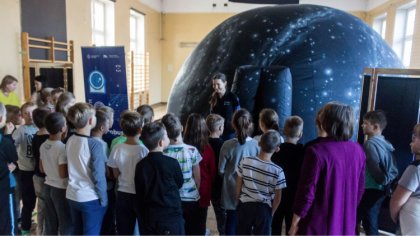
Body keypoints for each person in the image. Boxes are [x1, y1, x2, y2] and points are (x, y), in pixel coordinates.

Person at [289, 102, 366, 235]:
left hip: (317, 225)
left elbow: (306, 192)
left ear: (328, 121)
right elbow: (359, 190)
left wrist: (294, 222)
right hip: (345, 224)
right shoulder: (358, 150)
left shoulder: (316, 151)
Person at [135, 122, 184, 235]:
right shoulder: (172, 163)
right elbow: (179, 183)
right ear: (161, 142)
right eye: (166, 135)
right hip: (170, 216)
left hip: (149, 217)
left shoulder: (141, 165)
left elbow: (140, 191)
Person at [65, 102, 107, 235]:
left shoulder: (70, 139)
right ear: (90, 120)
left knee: (77, 231)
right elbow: (99, 175)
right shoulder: (94, 144)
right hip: (90, 198)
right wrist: (104, 198)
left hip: (72, 195)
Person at [236, 130, 286, 235]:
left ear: (259, 143)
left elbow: (238, 184)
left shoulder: (245, 161)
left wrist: (238, 201)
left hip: (245, 205)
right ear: (277, 149)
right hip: (264, 209)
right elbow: (278, 197)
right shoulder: (278, 170)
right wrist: (271, 213)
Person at [357, 110, 398, 235]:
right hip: (381, 190)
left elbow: (374, 169)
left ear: (375, 127)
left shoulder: (369, 145)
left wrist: (381, 180)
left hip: (371, 188)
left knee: (365, 221)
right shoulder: (386, 143)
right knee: (370, 220)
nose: (362, 125)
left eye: (365, 123)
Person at [219, 108, 260, 235]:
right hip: (250, 190)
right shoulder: (257, 145)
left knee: (231, 220)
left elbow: (221, 170)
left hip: (231, 189)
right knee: (248, 223)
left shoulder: (227, 145)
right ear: (250, 124)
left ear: (233, 124)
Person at [108, 111, 148, 235]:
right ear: (141, 130)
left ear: (122, 130)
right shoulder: (144, 150)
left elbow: (115, 174)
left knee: (124, 229)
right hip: (140, 194)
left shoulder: (117, 148)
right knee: (143, 227)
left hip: (123, 194)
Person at [162, 113, 202, 235]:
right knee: (192, 227)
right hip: (190, 197)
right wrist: (196, 189)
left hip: (170, 199)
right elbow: (197, 176)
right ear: (182, 128)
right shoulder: (192, 150)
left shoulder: (162, 152)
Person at [40, 112, 72, 235]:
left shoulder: (44, 145)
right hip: (60, 188)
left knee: (50, 222)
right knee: (65, 222)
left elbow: (42, 169)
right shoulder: (62, 148)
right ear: (63, 128)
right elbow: (63, 174)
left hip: (47, 186)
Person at [271, 116, 305, 235]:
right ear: (300, 134)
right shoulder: (303, 152)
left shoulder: (276, 151)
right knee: (292, 228)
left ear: (284, 131)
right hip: (294, 197)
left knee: (275, 225)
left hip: (277, 194)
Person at [184, 113, 216, 234]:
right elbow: (212, 172)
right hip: (203, 189)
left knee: (186, 221)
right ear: (204, 128)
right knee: (200, 221)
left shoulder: (184, 148)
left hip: (186, 189)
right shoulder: (207, 149)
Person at [12, 102, 38, 236]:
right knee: (28, 202)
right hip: (26, 171)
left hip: (39, 171)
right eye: (26, 113)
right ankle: (25, 228)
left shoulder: (40, 127)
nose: (29, 116)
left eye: (32, 112)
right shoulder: (21, 130)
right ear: (22, 115)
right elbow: (11, 144)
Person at [390, 123, 420, 235]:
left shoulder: (415, 168)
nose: (411, 141)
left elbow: (397, 201)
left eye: (414, 137)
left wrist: (397, 219)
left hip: (411, 223)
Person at [31, 107, 51, 235]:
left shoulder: (35, 136)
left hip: (37, 176)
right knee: (49, 207)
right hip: (47, 177)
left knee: (41, 206)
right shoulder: (49, 138)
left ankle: (40, 231)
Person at [0, 102, 19, 235]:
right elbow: (13, 159)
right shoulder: (5, 141)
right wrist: (8, 135)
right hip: (4, 189)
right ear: (1, 119)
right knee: (8, 225)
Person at [206, 113, 226, 235]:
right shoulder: (224, 145)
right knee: (223, 215)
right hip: (221, 185)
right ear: (220, 128)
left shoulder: (203, 144)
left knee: (218, 213)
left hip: (209, 184)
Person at [209, 72, 240, 140]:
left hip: (230, 133)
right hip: (216, 133)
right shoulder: (213, 98)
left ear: (225, 83)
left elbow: (238, 115)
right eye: (214, 84)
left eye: (218, 84)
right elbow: (211, 116)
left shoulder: (232, 97)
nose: (216, 87)